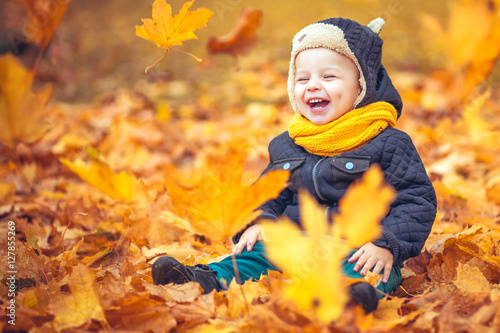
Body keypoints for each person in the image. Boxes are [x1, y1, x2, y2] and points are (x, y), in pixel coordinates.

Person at [152, 17, 437, 313]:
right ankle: (203, 279)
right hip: (294, 244)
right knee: (254, 254)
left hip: (356, 248)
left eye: (329, 77)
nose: (313, 85)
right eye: (303, 79)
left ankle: (344, 297)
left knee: (370, 271)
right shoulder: (288, 144)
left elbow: (416, 199)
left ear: (361, 87)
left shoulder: (388, 142)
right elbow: (269, 193)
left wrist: (385, 243)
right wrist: (259, 223)